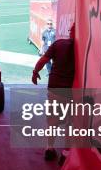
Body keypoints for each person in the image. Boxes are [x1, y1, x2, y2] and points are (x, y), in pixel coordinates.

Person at [32, 23, 75, 162]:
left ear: (70, 32)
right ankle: (66, 154)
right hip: (72, 90)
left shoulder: (59, 44)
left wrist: (35, 72)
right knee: (70, 123)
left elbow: (43, 60)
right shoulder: (83, 49)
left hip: (55, 87)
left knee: (52, 121)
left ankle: (49, 148)